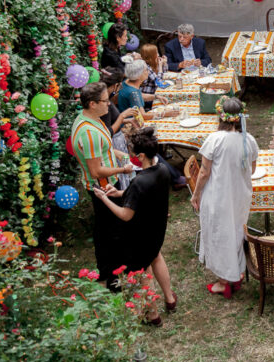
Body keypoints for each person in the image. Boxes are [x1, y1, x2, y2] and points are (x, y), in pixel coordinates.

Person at [93, 126, 178, 325]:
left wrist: (104, 198)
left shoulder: (140, 181)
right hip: (157, 229)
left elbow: (125, 214)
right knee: (156, 256)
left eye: (132, 153)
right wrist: (120, 193)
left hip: (140, 233)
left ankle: (153, 315)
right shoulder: (162, 170)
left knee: (142, 272)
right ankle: (170, 298)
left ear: (140, 156)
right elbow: (140, 196)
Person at [69, 81, 134, 290]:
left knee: (106, 229)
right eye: (105, 101)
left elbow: (104, 150)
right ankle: (113, 278)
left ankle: (108, 270)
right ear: (92, 103)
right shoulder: (88, 133)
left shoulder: (92, 119)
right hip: (103, 186)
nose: (109, 105)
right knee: (111, 231)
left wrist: (121, 155)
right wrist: (122, 171)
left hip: (105, 182)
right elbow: (96, 170)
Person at [191, 97, 258, 299]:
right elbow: (252, 170)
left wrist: (196, 194)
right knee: (236, 231)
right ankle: (235, 276)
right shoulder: (249, 140)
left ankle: (223, 282)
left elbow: (204, 172)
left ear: (220, 116)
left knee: (220, 233)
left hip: (218, 194)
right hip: (240, 195)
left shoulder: (215, 139)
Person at [115, 60, 187, 188]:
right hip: (131, 129)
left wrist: (156, 97)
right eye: (145, 70)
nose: (148, 72)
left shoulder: (127, 84)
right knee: (153, 142)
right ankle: (175, 178)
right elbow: (142, 115)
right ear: (138, 76)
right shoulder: (132, 92)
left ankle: (166, 162)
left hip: (129, 125)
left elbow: (138, 95)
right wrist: (166, 114)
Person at [138, 43, 169, 110]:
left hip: (155, 93)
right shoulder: (146, 67)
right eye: (156, 52)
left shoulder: (153, 63)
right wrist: (160, 66)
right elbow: (159, 82)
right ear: (152, 56)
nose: (158, 54)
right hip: (147, 98)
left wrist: (165, 63)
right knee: (167, 102)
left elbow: (165, 74)